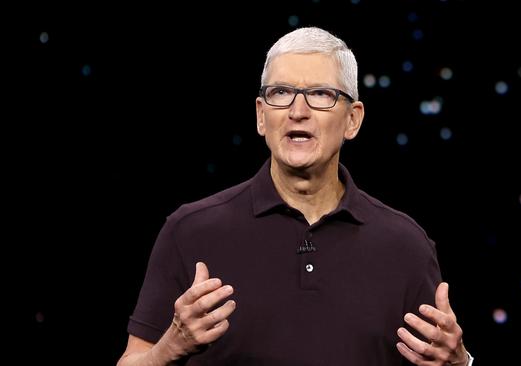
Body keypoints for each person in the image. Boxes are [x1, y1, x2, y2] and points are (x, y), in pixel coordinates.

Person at [117, 27, 473, 366]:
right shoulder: (189, 230)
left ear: (353, 119)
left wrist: (460, 362)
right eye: (281, 92)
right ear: (261, 116)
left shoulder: (406, 245)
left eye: (321, 94)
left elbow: (439, 356)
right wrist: (170, 347)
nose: (297, 111)